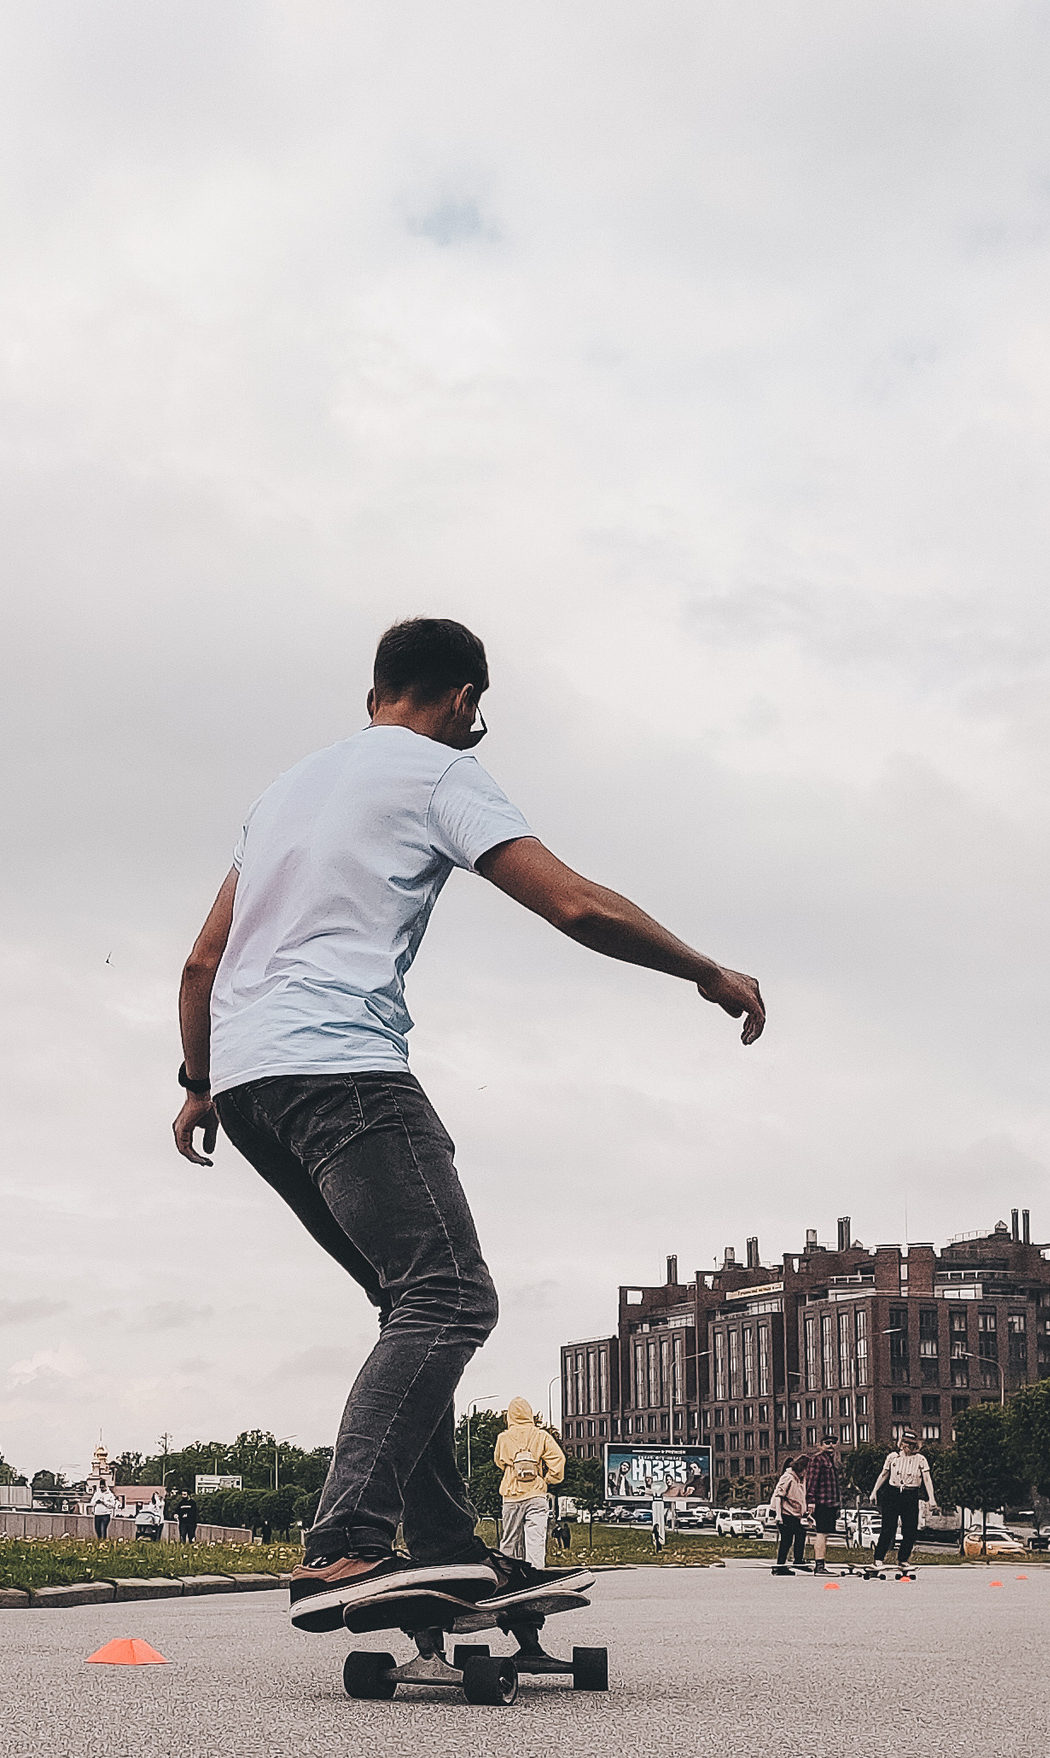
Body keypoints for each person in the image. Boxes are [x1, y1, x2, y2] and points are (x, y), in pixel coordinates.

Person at [171, 618, 766, 1631]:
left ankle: (445, 1553)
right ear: (462, 699)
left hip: (247, 1083)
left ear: (374, 694)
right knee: (450, 1296)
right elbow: (574, 905)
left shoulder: (281, 793)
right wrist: (704, 969)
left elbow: (200, 962)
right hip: (342, 1067)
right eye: (473, 717)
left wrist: (197, 1082)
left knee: (410, 1305)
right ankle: (346, 1541)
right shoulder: (440, 771)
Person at [492, 1395, 566, 1569]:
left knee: (510, 1540)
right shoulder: (541, 1436)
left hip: (511, 1495)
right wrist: (547, 1480)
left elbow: (499, 1461)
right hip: (536, 1495)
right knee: (536, 1540)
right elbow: (558, 1460)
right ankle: (535, 1574)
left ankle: (509, 1575)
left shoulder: (503, 1437)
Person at [874, 1433, 937, 1576]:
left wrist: (931, 1498)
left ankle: (903, 1558)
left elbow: (927, 1479)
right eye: (905, 1444)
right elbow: (884, 1474)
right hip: (893, 1492)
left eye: (910, 1445)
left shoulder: (920, 1459)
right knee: (888, 1527)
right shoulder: (893, 1457)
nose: (907, 1447)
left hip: (911, 1493)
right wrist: (874, 1491)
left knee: (910, 1529)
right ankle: (879, 1558)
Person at [801, 1436, 844, 1574]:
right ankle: (819, 1564)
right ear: (820, 1445)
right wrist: (811, 1501)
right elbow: (812, 1481)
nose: (831, 1445)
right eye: (827, 1443)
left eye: (833, 1443)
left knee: (825, 1533)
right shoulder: (817, 1459)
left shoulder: (832, 1461)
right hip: (822, 1502)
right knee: (821, 1533)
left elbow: (835, 1485)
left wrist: (838, 1504)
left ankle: (821, 1564)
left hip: (831, 1502)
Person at [772, 1456, 809, 1574]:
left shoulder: (800, 1479)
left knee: (798, 1534)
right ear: (802, 1468)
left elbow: (800, 1499)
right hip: (783, 1512)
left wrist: (805, 1513)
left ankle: (796, 1561)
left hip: (793, 1514)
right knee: (788, 1538)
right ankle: (781, 1566)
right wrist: (778, 1515)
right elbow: (778, 1496)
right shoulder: (788, 1477)